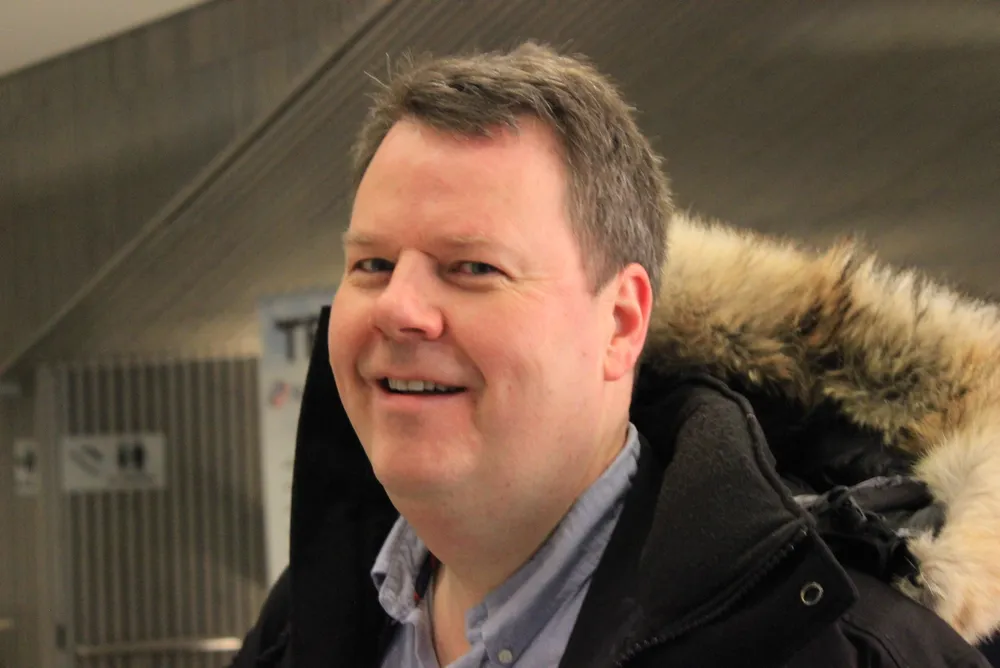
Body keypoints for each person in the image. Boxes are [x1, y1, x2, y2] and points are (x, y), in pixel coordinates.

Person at [230, 43, 1000, 667]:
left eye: (472, 268)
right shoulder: (302, 625)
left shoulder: (849, 650)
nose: (397, 307)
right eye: (372, 264)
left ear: (622, 322)